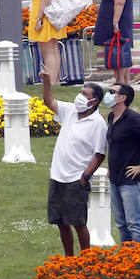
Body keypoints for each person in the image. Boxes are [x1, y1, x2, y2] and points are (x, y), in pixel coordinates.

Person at [41, 77, 108, 256]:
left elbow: (100, 154)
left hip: (76, 178)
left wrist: (86, 176)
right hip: (57, 175)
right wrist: (46, 81)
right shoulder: (70, 111)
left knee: (78, 222)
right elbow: (48, 101)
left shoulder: (98, 124)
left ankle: (86, 259)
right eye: (80, 92)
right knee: (60, 222)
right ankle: (69, 259)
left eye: (85, 94)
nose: (80, 96)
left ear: (94, 101)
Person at [104, 84, 140, 243]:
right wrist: (110, 167)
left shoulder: (133, 119)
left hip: (131, 181)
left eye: (112, 92)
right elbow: (115, 145)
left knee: (134, 223)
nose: (108, 94)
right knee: (121, 224)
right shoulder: (111, 117)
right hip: (115, 179)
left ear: (122, 98)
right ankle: (126, 255)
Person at [94, 0, 134, 85]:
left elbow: (119, 2)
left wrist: (115, 22)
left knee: (119, 49)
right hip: (116, 20)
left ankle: (121, 80)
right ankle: (124, 80)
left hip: (118, 21)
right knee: (120, 49)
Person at [30, 0, 69, 85]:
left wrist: (39, 19)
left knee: (48, 53)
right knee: (53, 51)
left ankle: (51, 81)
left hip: (45, 21)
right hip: (48, 20)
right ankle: (55, 80)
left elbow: (45, 1)